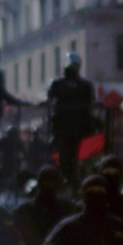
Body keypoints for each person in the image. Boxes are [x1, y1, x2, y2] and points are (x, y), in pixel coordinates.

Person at [46, 52, 95, 192]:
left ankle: (73, 183)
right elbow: (50, 99)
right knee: (64, 157)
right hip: (63, 128)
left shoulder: (84, 85)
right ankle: (66, 182)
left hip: (76, 128)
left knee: (74, 157)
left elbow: (89, 105)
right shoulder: (59, 84)